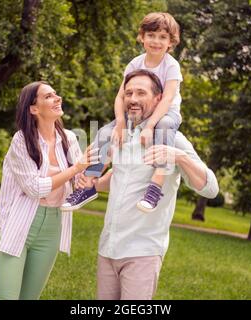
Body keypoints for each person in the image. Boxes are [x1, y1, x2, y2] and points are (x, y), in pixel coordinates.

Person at [75, 70, 219, 300]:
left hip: (142, 252)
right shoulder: (120, 136)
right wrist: (91, 184)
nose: (132, 99)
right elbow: (119, 179)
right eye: (128, 93)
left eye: (141, 93)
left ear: (158, 99)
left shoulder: (172, 139)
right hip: (108, 248)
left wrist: (180, 157)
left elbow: (211, 189)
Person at [61, 12, 183, 213]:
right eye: (151, 35)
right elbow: (120, 97)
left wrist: (150, 126)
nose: (156, 41)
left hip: (164, 114)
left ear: (171, 42)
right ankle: (89, 184)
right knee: (104, 134)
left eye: (163, 37)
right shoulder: (135, 63)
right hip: (134, 113)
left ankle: (155, 188)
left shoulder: (171, 66)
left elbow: (168, 99)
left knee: (165, 127)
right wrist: (119, 123)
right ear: (142, 37)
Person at [0, 81, 99, 300]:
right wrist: (76, 168)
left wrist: (93, 167)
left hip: (52, 226)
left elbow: (80, 180)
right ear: (34, 108)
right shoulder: (21, 141)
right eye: (49, 96)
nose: (57, 98)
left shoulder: (68, 138)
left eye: (56, 94)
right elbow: (34, 188)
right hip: (19, 222)